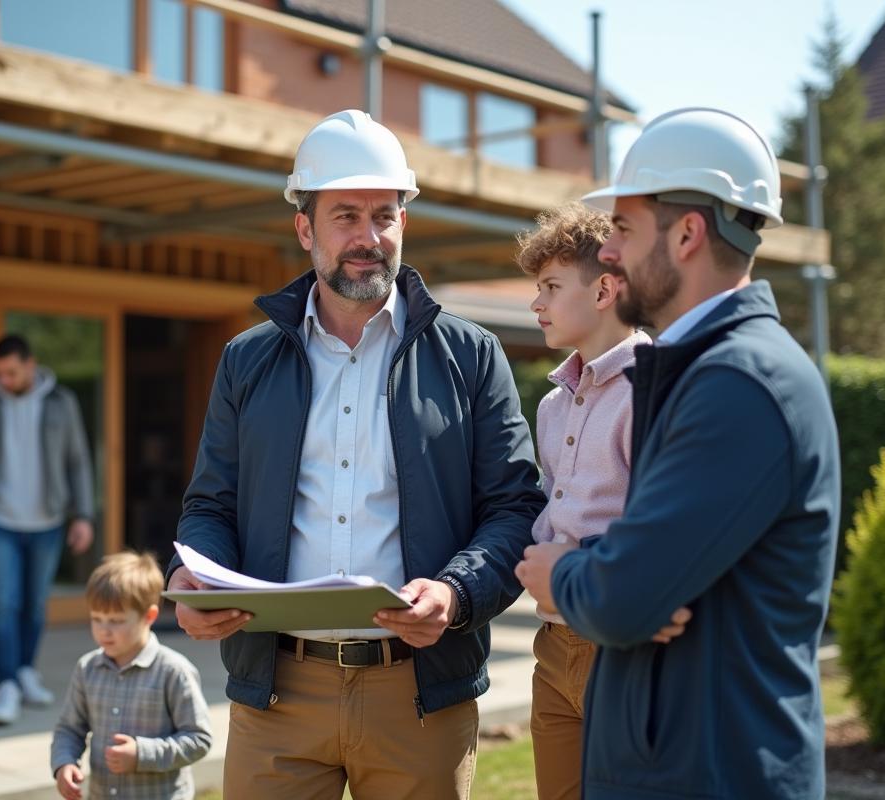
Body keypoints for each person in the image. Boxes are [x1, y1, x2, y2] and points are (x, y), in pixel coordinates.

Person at [167, 109, 547, 800]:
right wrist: (192, 578)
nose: (368, 237)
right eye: (345, 215)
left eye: (384, 215)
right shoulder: (246, 360)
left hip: (420, 695)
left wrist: (457, 590)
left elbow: (516, 508)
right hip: (276, 696)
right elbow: (210, 507)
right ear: (305, 227)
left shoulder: (471, 355)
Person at [517, 107, 841, 800]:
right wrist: (608, 579)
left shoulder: (738, 384)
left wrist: (563, 574)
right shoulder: (704, 372)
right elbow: (634, 580)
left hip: (712, 774)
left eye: (625, 230)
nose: (609, 253)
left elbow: (627, 594)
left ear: (688, 234)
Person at [516, 202, 651, 800]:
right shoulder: (552, 406)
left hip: (622, 647)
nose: (536, 303)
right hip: (553, 646)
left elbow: (659, 534)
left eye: (549, 286)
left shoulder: (652, 390)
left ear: (603, 289)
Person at [0, 334, 96, 725]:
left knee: (34, 603)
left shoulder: (62, 403)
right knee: (2, 603)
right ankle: (6, 685)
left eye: (11, 372)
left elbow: (78, 460)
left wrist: (84, 514)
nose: (4, 380)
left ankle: (26, 670)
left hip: (47, 522)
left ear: (30, 365)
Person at [51, 551, 213, 800]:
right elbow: (69, 729)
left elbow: (199, 739)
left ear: (149, 616)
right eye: (97, 619)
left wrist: (142, 754)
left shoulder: (173, 671)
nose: (104, 630)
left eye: (116, 620)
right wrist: (64, 763)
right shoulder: (87, 669)